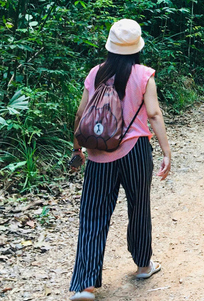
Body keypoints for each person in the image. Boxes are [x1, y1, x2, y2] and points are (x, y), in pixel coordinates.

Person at [68, 19, 172, 301]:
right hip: (136, 150)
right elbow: (154, 114)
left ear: (111, 46)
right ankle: (143, 265)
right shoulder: (144, 74)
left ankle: (85, 286)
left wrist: (77, 150)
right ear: (137, 47)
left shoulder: (96, 73)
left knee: (93, 215)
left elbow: (80, 116)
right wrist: (165, 151)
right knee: (139, 207)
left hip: (99, 155)